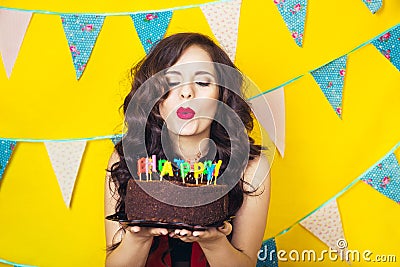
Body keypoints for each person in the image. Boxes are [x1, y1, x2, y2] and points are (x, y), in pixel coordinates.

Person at [104, 32, 271, 267]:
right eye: (172, 82)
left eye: (202, 82)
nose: (186, 93)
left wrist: (214, 242)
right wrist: (138, 236)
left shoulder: (250, 167)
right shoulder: (126, 159)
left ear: (222, 95)